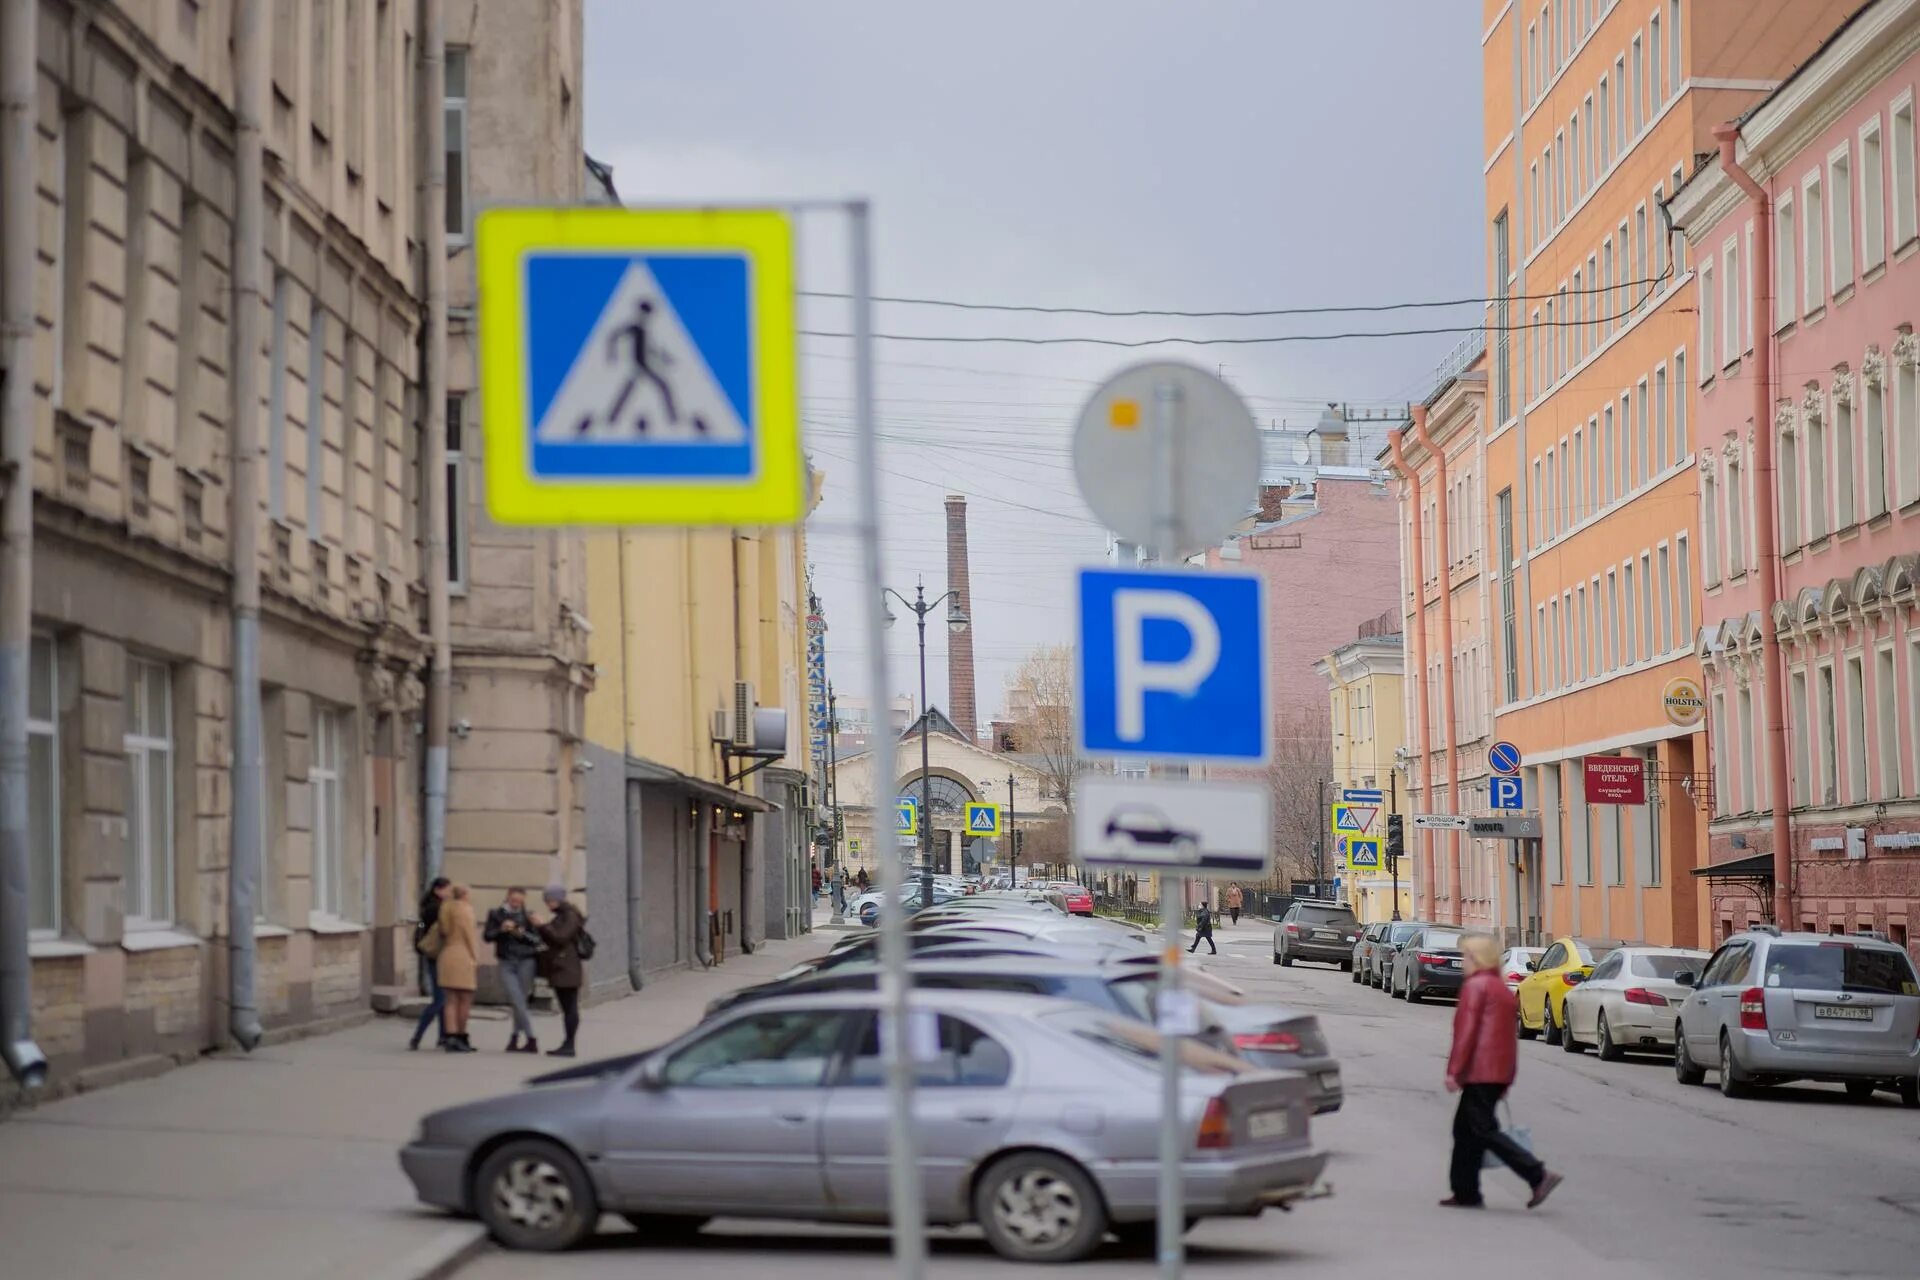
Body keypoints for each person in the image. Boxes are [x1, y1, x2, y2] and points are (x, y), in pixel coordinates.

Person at [1443, 934, 1564, 1209]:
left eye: (1466, 956)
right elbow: (1508, 1039)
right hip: (1495, 1073)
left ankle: (1537, 1174)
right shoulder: (1500, 988)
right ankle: (1466, 1191)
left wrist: (1455, 1071)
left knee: (1482, 1131)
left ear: (1476, 958)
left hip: (1479, 1072)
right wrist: (1507, 1077)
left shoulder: (1476, 987)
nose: (1463, 962)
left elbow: (1466, 1034)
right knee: (1465, 1131)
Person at [484, 887, 541, 1054]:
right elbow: (487, 936)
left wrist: (518, 932)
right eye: (513, 900)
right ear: (507, 898)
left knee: (520, 1001)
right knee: (517, 1000)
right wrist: (501, 930)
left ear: (523, 900)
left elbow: (536, 940)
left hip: (526, 961)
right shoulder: (495, 914)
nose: (516, 904)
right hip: (506, 961)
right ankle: (531, 1038)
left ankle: (514, 1038)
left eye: (519, 901)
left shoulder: (529, 915)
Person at [535, 884, 588, 1058]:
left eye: (549, 900)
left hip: (567, 968)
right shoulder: (562, 915)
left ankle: (569, 1044)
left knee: (570, 1007)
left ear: (557, 899)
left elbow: (561, 937)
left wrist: (543, 926)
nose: (547, 905)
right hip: (563, 968)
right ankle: (567, 1043)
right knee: (567, 1008)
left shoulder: (570, 915)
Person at [435, 885, 481, 1053]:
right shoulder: (465, 910)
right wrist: (475, 958)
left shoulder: (445, 908)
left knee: (450, 1001)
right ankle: (461, 1036)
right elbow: (470, 937)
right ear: (465, 895)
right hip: (463, 956)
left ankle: (450, 1037)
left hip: (447, 955)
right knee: (465, 1000)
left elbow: (442, 931)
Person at [408, 877, 451, 1051]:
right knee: (439, 1000)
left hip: (431, 954)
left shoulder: (426, 908)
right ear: (438, 890)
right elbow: (445, 930)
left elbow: (421, 925)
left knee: (442, 999)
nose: (449, 893)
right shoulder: (438, 908)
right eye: (447, 889)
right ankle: (417, 1037)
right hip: (438, 955)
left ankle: (442, 1037)